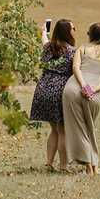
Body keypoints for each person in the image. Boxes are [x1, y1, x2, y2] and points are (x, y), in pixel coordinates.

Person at [62, 23, 100, 176]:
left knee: (79, 128)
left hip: (73, 88)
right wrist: (93, 89)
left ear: (91, 35)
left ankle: (89, 166)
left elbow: (76, 68)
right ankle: (93, 165)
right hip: (95, 93)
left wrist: (83, 85)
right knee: (89, 128)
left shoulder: (83, 48)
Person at [30, 19, 76, 171]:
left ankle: (49, 163)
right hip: (59, 92)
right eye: (72, 28)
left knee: (54, 130)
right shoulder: (71, 51)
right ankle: (63, 166)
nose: (74, 29)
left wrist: (44, 30)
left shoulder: (48, 47)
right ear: (68, 32)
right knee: (62, 130)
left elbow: (44, 38)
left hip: (43, 89)